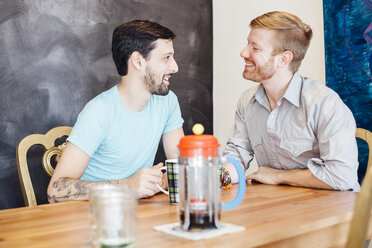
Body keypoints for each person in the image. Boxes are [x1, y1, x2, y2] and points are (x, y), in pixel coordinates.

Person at [47, 20, 184, 202]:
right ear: (138, 61)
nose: (175, 67)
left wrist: (160, 181)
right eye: (166, 58)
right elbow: (55, 191)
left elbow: (182, 168)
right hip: (91, 217)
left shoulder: (168, 102)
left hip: (133, 213)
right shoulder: (99, 112)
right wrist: (125, 186)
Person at [222, 11, 359, 191]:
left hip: (335, 211)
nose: (243, 52)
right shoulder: (247, 101)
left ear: (284, 59)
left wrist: (277, 176)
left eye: (255, 48)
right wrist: (212, 177)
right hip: (282, 206)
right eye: (248, 43)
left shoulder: (324, 103)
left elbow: (341, 177)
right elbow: (236, 157)